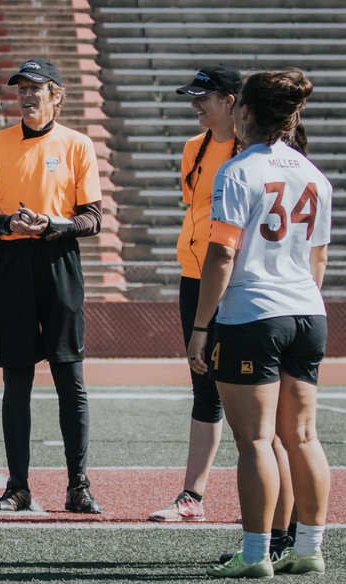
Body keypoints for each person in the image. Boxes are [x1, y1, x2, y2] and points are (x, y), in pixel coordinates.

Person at [190, 68, 331, 578]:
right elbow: (318, 260)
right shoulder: (314, 174)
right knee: (304, 437)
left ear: (244, 112)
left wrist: (201, 326)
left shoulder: (237, 170)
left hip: (255, 313)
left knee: (255, 441)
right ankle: (310, 548)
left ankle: (255, 556)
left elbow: (222, 256)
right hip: (307, 312)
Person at [0, 58, 103, 514]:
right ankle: (18, 486)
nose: (26, 96)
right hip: (11, 264)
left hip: (59, 259)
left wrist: (51, 226)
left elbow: (93, 219)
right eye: (20, 89)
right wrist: (8, 222)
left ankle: (78, 485)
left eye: (36, 89)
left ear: (56, 97)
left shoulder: (78, 145)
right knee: (16, 380)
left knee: (70, 378)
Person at [149, 66, 244, 523]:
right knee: (203, 385)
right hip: (194, 276)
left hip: (238, 281)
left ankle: (273, 502)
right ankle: (192, 496)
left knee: (251, 392)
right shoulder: (194, 148)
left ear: (229, 101)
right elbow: (196, 208)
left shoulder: (254, 150)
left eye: (202, 97)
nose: (194, 105)